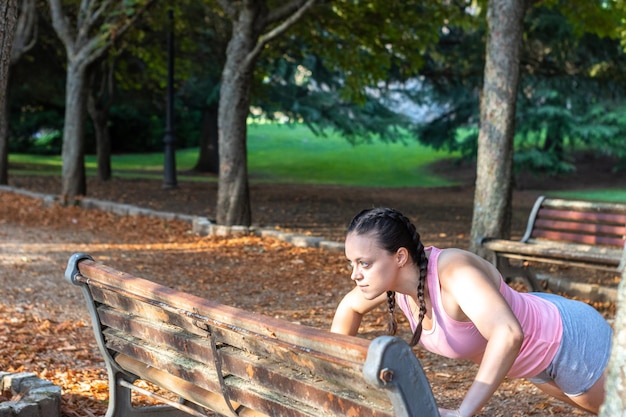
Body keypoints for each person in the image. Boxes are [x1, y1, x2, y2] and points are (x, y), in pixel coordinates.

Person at [330, 207, 612, 417]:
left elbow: (508, 333)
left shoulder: (454, 272)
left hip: (566, 343)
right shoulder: (394, 281)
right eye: (351, 263)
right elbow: (349, 307)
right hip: (534, 362)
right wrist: (335, 374)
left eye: (364, 263)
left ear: (400, 257)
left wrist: (462, 413)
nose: (355, 274)